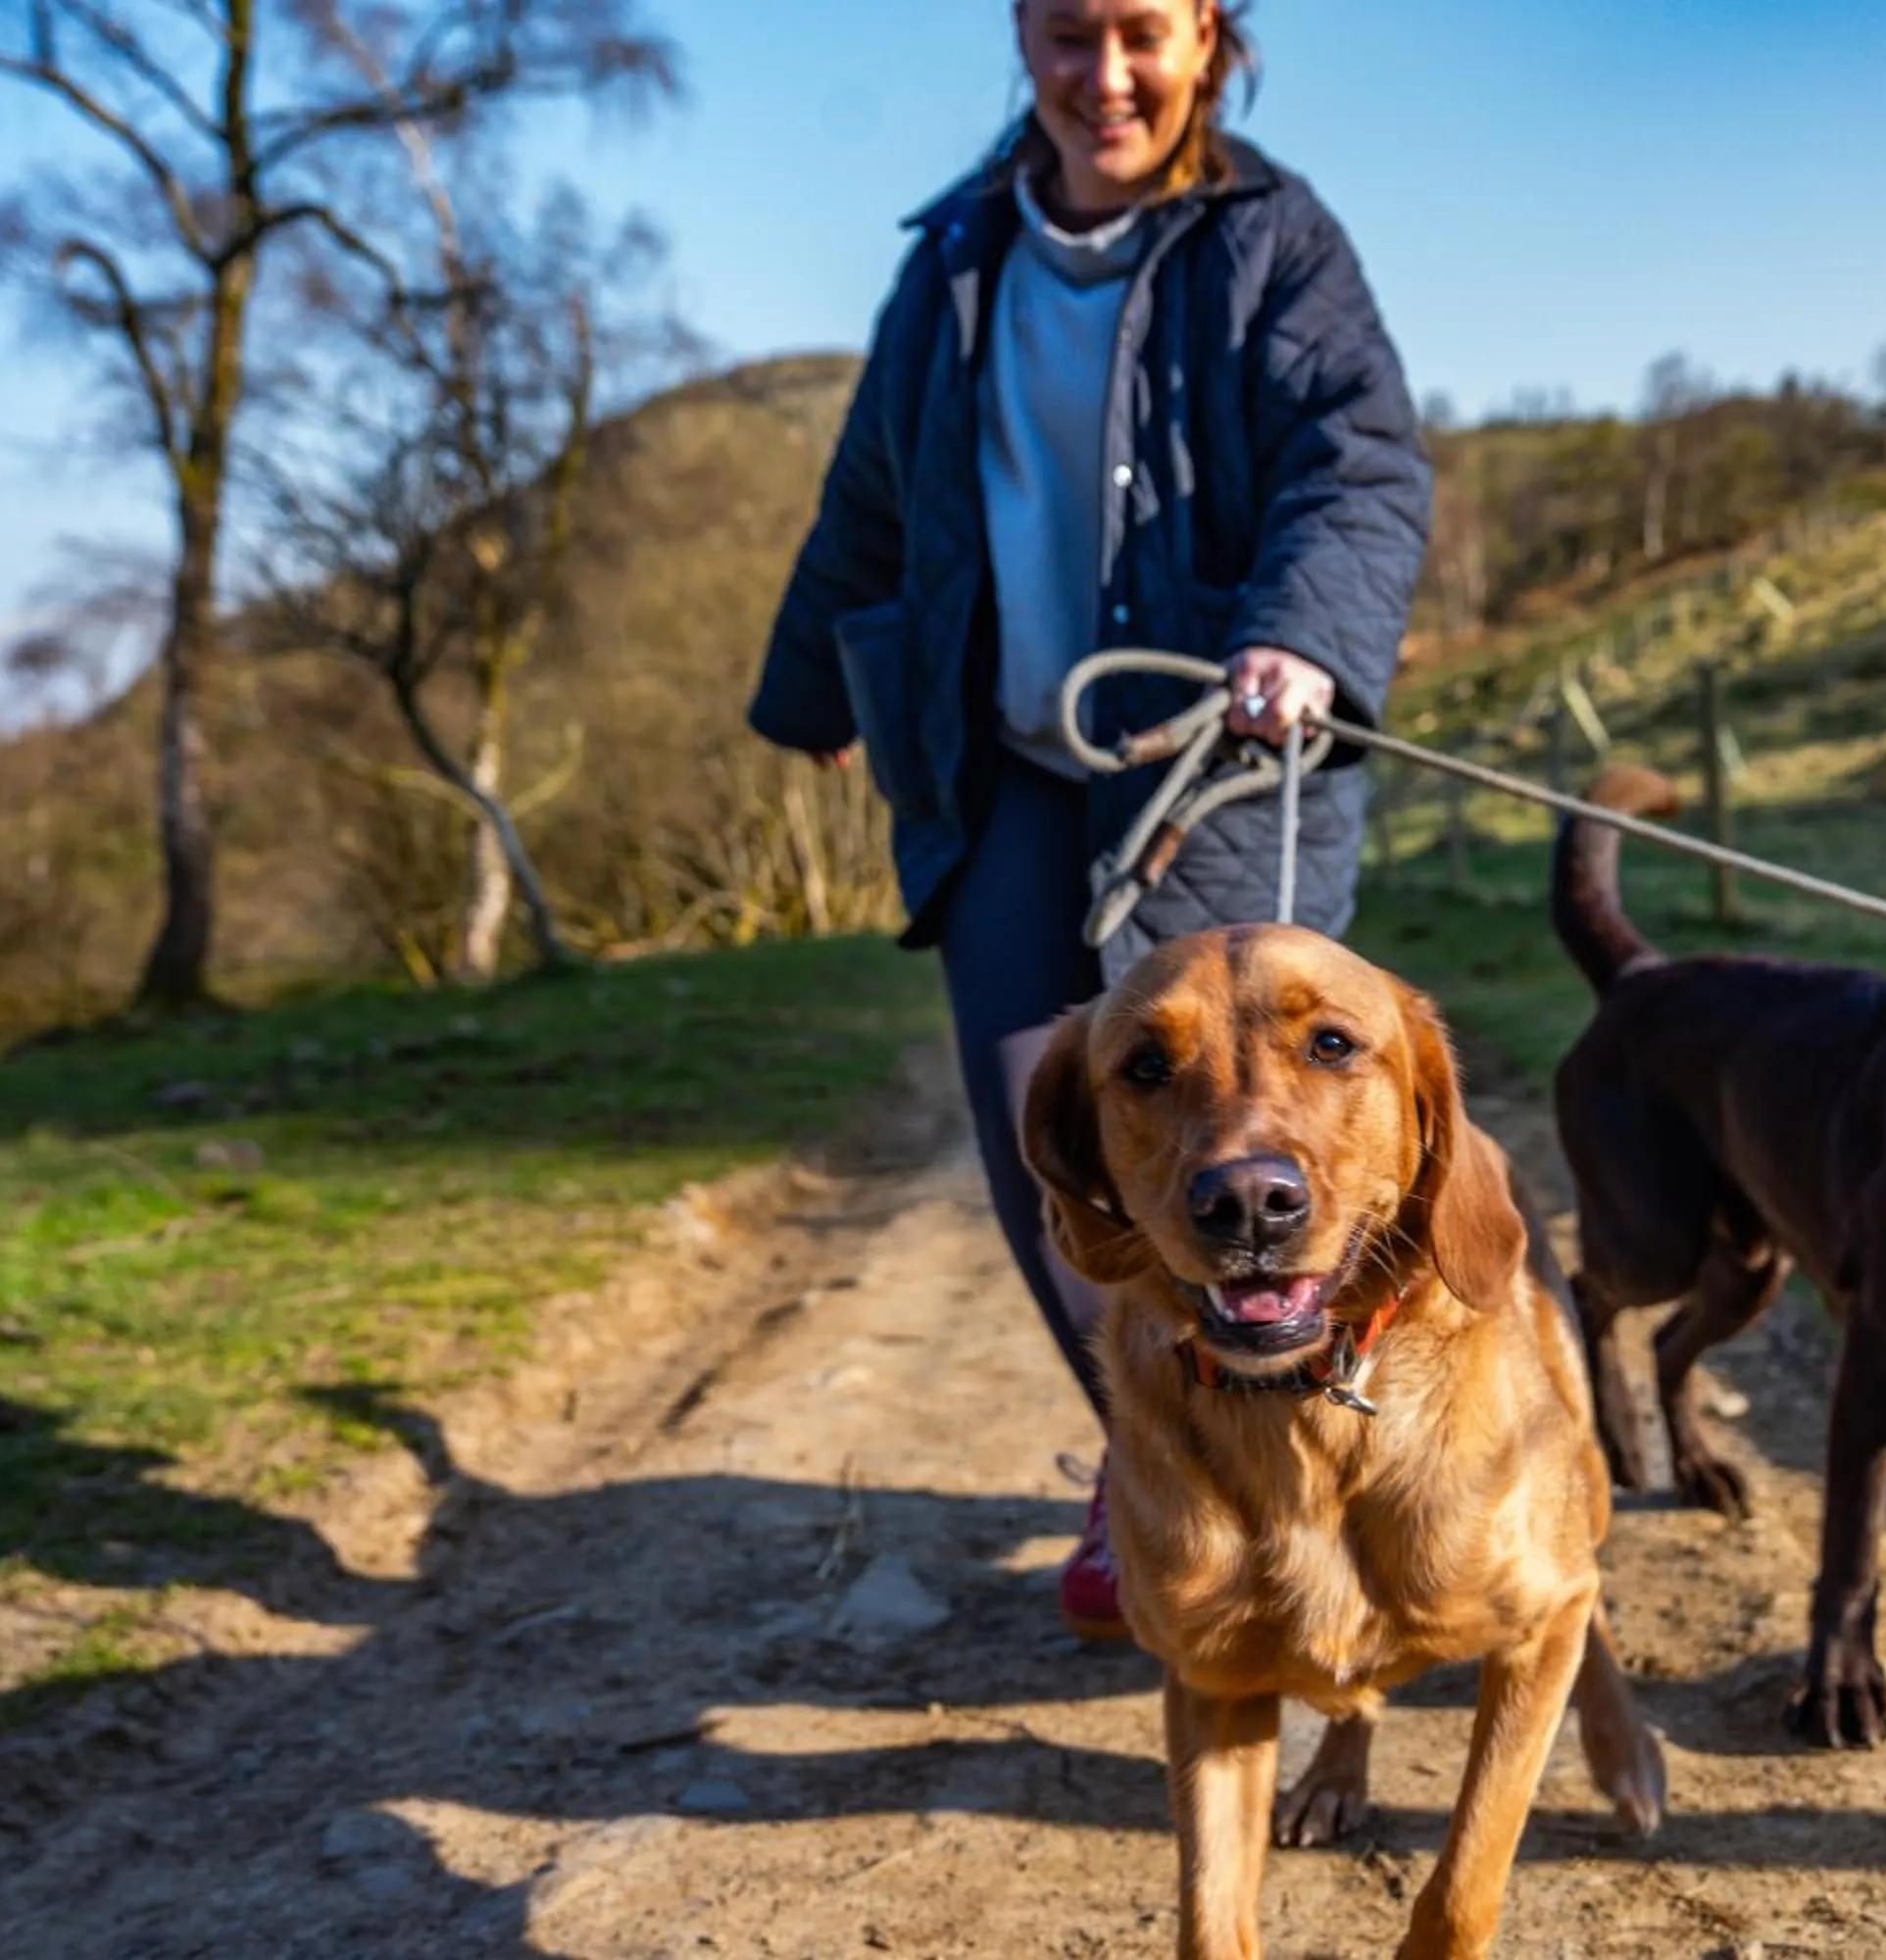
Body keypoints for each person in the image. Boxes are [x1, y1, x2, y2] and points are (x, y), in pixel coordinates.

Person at [747, 0, 1431, 1641]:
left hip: (1209, 765)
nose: (1104, 75)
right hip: (998, 771)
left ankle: (1343, 1473)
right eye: (1069, 35)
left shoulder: (1273, 240)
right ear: (1023, 41)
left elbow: (1362, 464)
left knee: (1246, 1144)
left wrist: (1305, 635)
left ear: (1208, 36)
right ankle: (1156, 1469)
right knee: (1054, 1151)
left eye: (1140, 32)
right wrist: (813, 695)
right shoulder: (960, 254)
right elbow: (879, 492)